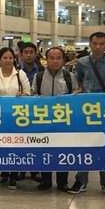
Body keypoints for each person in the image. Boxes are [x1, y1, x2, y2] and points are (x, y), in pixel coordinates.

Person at [69, 31, 105, 197]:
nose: (98, 47)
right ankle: (81, 180)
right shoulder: (82, 62)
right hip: (86, 109)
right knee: (84, 145)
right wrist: (79, 89)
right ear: (90, 45)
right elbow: (80, 81)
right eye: (94, 43)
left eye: (101, 44)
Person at [32, 47, 77, 192]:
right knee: (45, 149)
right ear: (46, 60)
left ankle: (62, 181)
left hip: (64, 121)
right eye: (51, 58)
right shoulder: (38, 77)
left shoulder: (70, 77)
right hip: (43, 120)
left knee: (63, 150)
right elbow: (33, 94)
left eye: (58, 58)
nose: (55, 61)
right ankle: (46, 180)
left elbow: (76, 96)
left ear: (64, 60)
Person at [0, 47, 30, 189]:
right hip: (0, 116)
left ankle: (14, 175)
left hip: (17, 116)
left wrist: (23, 95)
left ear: (14, 59)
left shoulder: (20, 74)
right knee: (1, 144)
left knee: (15, 144)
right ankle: (4, 173)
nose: (7, 60)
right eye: (4, 58)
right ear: (0, 59)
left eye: (10, 58)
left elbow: (28, 92)